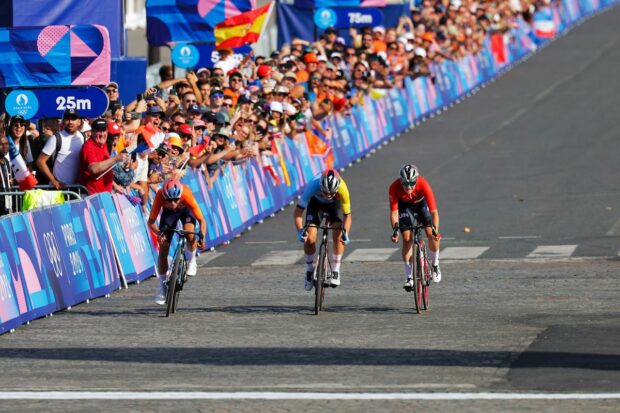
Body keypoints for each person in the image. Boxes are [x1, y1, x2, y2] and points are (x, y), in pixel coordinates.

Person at [148, 178, 207, 305]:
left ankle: (192, 259)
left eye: (176, 199)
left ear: (180, 195)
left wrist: (202, 237)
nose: (173, 203)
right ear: (164, 196)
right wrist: (159, 234)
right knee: (163, 248)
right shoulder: (159, 196)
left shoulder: (186, 193)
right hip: (168, 215)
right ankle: (162, 287)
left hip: (185, 211)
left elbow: (202, 220)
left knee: (189, 233)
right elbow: (151, 222)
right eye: (169, 200)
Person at [294, 168, 352, 290]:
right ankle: (309, 270)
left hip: (334, 205)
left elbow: (347, 216)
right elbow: (298, 212)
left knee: (338, 234)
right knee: (310, 238)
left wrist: (345, 232)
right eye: (325, 193)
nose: (328, 196)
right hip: (316, 204)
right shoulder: (312, 186)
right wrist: (300, 230)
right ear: (320, 186)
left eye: (332, 193)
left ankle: (336, 270)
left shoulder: (342, 189)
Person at [389, 163, 442, 290]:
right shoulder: (394, 187)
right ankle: (409, 277)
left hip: (421, 204)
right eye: (405, 184)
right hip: (404, 206)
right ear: (400, 181)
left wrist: (435, 231)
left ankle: (435, 264)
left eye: (412, 183)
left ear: (416, 180)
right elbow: (394, 213)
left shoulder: (424, 184)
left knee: (431, 234)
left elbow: (434, 212)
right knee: (407, 239)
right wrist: (395, 231)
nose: (409, 187)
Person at [36, 108, 85, 189]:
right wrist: (54, 181)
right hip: (59, 190)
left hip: (77, 188)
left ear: (79, 121)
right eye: (67, 119)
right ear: (63, 121)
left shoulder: (82, 137)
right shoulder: (56, 138)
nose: (70, 122)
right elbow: (40, 161)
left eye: (73, 119)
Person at [78, 118, 129, 194]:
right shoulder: (88, 147)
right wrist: (116, 158)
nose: (102, 134)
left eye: (104, 130)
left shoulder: (103, 144)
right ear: (92, 132)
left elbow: (105, 169)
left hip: (104, 194)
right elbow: (94, 168)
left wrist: (115, 186)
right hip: (92, 196)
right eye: (98, 131)